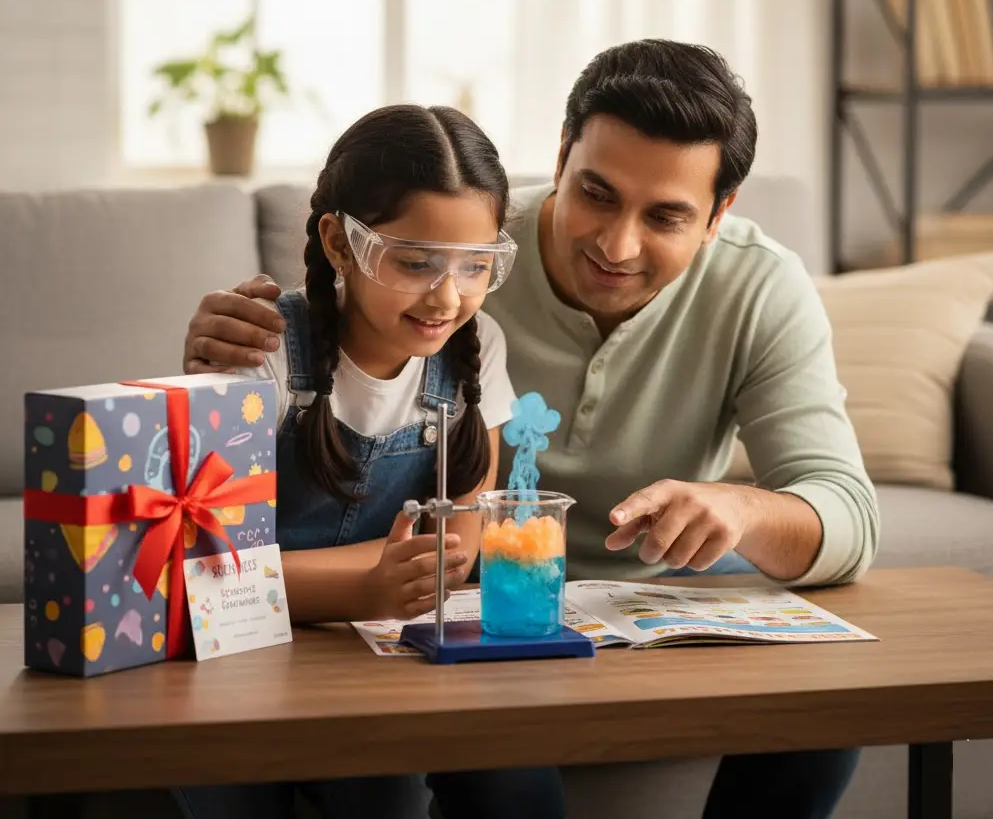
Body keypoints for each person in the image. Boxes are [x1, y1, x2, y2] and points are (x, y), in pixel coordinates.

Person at [183, 40, 880, 819]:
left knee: (832, 703)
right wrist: (215, 376)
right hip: (473, 595)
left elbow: (848, 515)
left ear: (720, 214)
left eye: (666, 216)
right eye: (597, 193)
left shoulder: (758, 285)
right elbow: (330, 325)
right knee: (482, 771)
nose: (616, 246)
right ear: (559, 157)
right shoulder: (467, 240)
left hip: (643, 591)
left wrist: (745, 508)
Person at [174, 104, 566, 819]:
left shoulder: (480, 353)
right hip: (242, 656)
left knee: (469, 783)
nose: (448, 298)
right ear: (339, 241)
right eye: (415, 262)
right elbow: (209, 581)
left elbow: (454, 556)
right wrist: (367, 588)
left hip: (381, 651)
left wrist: (350, 587)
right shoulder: (258, 353)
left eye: (476, 266)